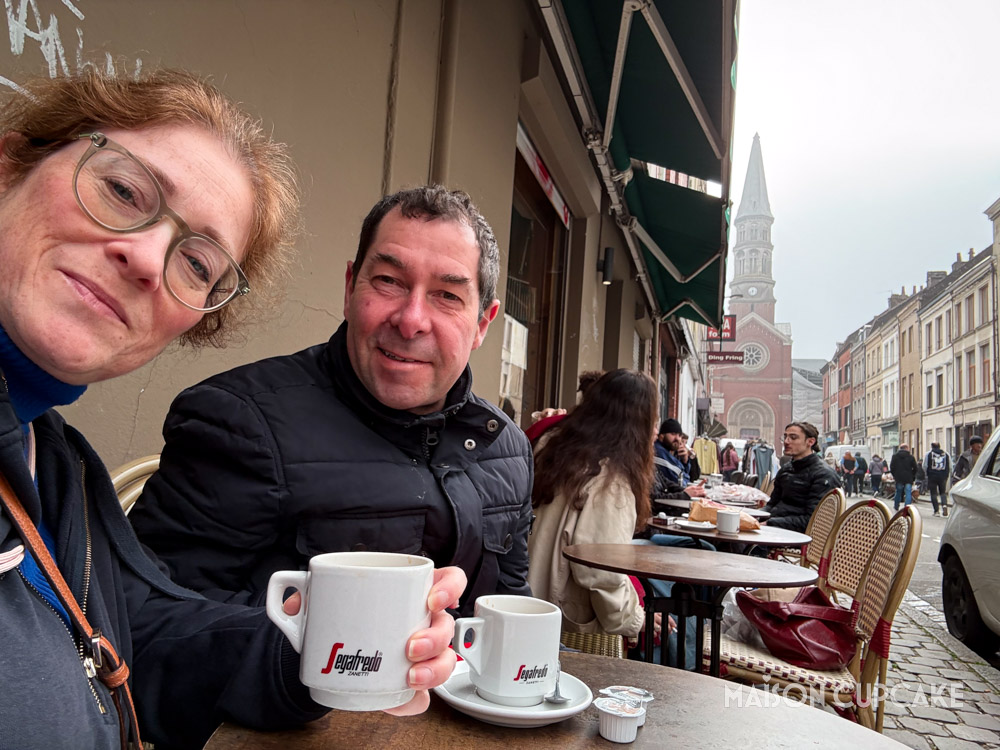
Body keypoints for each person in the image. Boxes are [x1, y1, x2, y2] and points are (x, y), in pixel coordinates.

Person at [0, 69, 463, 749]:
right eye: (123, 191)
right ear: (9, 167)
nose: (148, 259)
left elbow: (140, 633)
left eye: (196, 263)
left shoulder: (54, 458)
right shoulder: (240, 419)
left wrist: (310, 650)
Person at [131, 186, 531, 615]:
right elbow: (148, 614)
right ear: (349, 288)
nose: (412, 320)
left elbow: (510, 611)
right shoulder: (238, 423)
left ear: (482, 324)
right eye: (389, 281)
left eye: (447, 296)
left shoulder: (507, 450)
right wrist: (323, 646)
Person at [528, 370, 662, 641]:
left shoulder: (552, 444)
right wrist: (635, 620)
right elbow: (601, 572)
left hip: (527, 602)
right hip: (568, 629)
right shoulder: (611, 482)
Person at [763, 423, 840, 532]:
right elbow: (771, 505)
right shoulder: (786, 469)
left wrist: (769, 523)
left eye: (793, 438)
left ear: (810, 442)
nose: (786, 441)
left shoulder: (824, 475)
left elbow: (814, 520)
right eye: (785, 437)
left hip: (796, 537)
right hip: (775, 525)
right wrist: (751, 516)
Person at [923, 442, 951, 517]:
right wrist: (947, 475)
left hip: (932, 476)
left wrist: (927, 474)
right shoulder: (946, 454)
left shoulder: (928, 454)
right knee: (943, 492)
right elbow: (950, 466)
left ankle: (936, 511)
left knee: (933, 493)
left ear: (932, 447)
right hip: (943, 476)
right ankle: (944, 505)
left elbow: (924, 466)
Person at [889, 444, 919, 511]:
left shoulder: (895, 456)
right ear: (906, 448)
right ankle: (907, 507)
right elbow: (915, 468)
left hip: (899, 477)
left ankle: (896, 505)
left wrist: (895, 475)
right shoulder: (911, 457)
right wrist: (912, 475)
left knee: (898, 491)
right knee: (908, 492)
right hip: (908, 477)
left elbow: (892, 467)